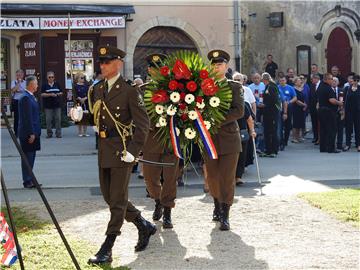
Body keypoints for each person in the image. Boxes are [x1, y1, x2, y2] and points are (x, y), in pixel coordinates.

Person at [87, 45, 156, 265]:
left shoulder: (128, 90)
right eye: (101, 62)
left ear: (118, 64)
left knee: (117, 201)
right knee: (110, 197)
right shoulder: (98, 89)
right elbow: (98, 118)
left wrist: (134, 152)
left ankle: (107, 248)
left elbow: (143, 125)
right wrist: (80, 118)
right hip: (104, 150)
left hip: (122, 151)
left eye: (107, 62)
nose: (103, 65)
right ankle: (142, 224)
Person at [205, 49, 244, 231]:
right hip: (209, 139)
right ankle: (216, 205)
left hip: (229, 138)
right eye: (213, 64)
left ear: (226, 66)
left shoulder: (235, 87)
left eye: (219, 64)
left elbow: (239, 111)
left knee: (227, 177)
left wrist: (216, 119)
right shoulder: (203, 87)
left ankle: (226, 214)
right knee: (212, 176)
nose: (216, 67)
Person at [141, 53, 180, 229]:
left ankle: (168, 212)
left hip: (171, 140)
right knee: (150, 178)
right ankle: (157, 200)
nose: (156, 72)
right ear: (149, 70)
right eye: (153, 69)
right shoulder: (142, 90)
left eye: (160, 69)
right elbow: (137, 115)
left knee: (170, 179)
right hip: (150, 140)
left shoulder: (175, 90)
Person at [18, 76, 41, 188]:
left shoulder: (31, 97)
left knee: (31, 158)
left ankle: (30, 178)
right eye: (36, 83)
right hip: (28, 133)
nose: (37, 85)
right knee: (28, 158)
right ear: (31, 85)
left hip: (34, 132)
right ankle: (27, 180)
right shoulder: (25, 98)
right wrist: (31, 133)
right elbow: (27, 118)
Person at [317, 73, 343, 153]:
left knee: (323, 130)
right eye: (331, 79)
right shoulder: (328, 88)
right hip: (328, 111)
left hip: (321, 110)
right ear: (327, 79)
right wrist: (339, 103)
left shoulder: (320, 87)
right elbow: (331, 100)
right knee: (332, 129)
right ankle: (331, 148)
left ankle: (323, 148)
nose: (332, 80)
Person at [261, 72, 281, 157]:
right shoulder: (267, 86)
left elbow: (274, 100)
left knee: (273, 132)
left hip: (272, 113)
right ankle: (268, 150)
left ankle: (273, 150)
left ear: (265, 79)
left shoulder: (272, 87)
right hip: (267, 113)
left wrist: (265, 105)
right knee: (267, 132)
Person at [235, 102, 256, 185]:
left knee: (242, 155)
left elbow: (249, 119)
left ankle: (238, 177)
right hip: (231, 133)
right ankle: (232, 176)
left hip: (242, 133)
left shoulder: (244, 104)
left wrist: (252, 131)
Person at [41, 71, 63, 138]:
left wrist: (59, 94)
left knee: (58, 119)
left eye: (52, 77)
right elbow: (42, 94)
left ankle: (58, 133)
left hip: (57, 104)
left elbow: (61, 92)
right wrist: (50, 94)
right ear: (47, 78)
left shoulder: (57, 84)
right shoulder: (44, 85)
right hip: (48, 105)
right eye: (49, 77)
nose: (51, 78)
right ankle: (49, 134)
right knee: (48, 120)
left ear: (54, 77)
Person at [277, 76, 297, 148]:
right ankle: (281, 141)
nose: (282, 82)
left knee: (287, 125)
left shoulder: (290, 88)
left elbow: (295, 97)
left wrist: (289, 102)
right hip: (280, 107)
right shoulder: (277, 88)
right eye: (280, 80)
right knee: (280, 125)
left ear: (286, 81)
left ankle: (286, 140)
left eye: (283, 80)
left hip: (289, 107)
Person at [343, 75, 360, 152]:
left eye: (357, 80)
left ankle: (358, 144)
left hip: (358, 112)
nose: (355, 82)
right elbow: (343, 100)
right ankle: (347, 144)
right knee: (348, 129)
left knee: (358, 128)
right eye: (354, 80)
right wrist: (343, 110)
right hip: (349, 111)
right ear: (351, 81)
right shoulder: (347, 88)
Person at [72, 72, 90, 137]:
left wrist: (85, 98)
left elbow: (89, 93)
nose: (83, 79)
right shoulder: (75, 85)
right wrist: (79, 98)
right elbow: (74, 94)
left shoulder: (86, 85)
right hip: (78, 102)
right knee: (79, 117)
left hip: (85, 102)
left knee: (85, 117)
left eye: (84, 77)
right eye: (82, 78)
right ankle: (80, 132)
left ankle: (85, 132)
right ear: (77, 78)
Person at [10, 69, 26, 137]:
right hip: (16, 101)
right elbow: (13, 90)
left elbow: (26, 91)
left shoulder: (26, 82)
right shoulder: (14, 82)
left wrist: (18, 90)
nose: (19, 76)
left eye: (20, 75)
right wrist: (18, 83)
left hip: (24, 101)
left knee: (24, 117)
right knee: (17, 117)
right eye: (18, 75)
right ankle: (16, 132)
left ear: (23, 75)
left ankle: (24, 132)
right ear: (16, 75)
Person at [292, 77, 307, 143]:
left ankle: (299, 137)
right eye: (299, 81)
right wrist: (304, 105)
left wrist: (305, 105)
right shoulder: (293, 89)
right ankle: (294, 137)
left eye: (301, 81)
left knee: (300, 123)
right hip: (296, 108)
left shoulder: (302, 89)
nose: (300, 81)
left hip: (302, 108)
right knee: (296, 123)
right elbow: (296, 100)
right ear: (295, 82)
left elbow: (304, 98)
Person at [332, 77, 345, 150]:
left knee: (340, 129)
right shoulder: (329, 90)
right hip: (331, 112)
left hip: (340, 112)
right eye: (333, 81)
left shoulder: (342, 90)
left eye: (335, 81)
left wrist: (343, 110)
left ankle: (339, 144)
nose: (334, 82)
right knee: (332, 129)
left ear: (338, 83)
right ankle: (332, 144)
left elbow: (344, 101)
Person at [309, 74, 321, 144]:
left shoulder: (321, 85)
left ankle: (320, 138)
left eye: (312, 79)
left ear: (316, 78)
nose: (311, 80)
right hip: (313, 108)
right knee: (314, 122)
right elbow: (310, 97)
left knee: (319, 123)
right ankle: (315, 137)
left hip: (320, 107)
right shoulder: (312, 86)